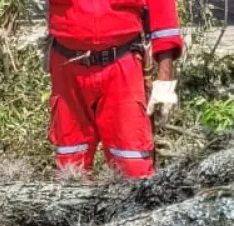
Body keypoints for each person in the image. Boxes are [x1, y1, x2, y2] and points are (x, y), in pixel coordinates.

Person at [46, 0, 183, 179]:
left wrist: (164, 79)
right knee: (70, 167)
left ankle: (137, 206)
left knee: (133, 165)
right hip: (67, 68)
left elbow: (163, 13)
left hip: (123, 65)